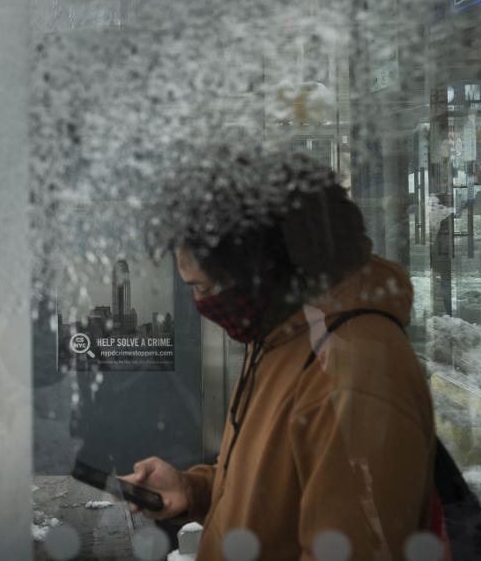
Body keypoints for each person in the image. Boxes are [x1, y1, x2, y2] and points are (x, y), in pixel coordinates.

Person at [123, 156, 441, 560]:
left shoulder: (351, 375)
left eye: (205, 287)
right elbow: (278, 489)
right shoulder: (283, 338)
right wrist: (194, 489)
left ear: (265, 270)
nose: (201, 303)